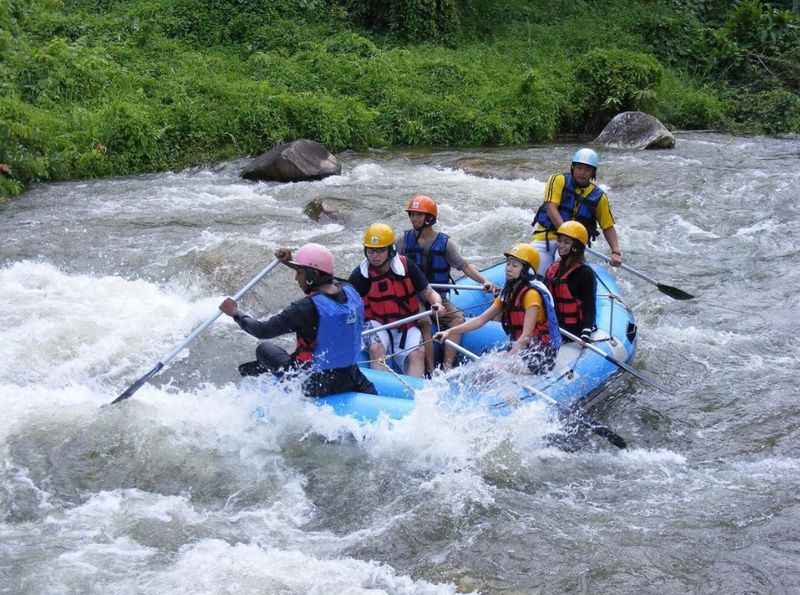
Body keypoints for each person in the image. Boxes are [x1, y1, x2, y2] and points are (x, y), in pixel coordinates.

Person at [218, 243, 376, 398]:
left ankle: (264, 379)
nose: (295, 278)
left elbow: (262, 330)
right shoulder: (350, 290)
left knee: (264, 349)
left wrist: (235, 313)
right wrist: (289, 262)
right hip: (352, 376)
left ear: (311, 276)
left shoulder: (305, 308)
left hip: (316, 383)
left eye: (299, 272)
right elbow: (327, 277)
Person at [397, 194, 497, 372]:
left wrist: (484, 281)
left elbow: (464, 266)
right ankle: (429, 369)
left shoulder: (445, 244)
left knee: (457, 318)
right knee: (425, 321)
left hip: (439, 297)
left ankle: (447, 366)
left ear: (430, 218)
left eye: (418, 215)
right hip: (413, 297)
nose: (414, 219)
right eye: (412, 214)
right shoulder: (403, 241)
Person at [434, 243, 561, 375]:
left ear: (527, 271)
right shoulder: (508, 293)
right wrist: (449, 332)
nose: (509, 269)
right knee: (479, 368)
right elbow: (481, 320)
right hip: (524, 352)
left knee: (489, 370)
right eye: (508, 264)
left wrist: (507, 358)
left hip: (541, 355)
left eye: (515, 265)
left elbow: (526, 337)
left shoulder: (531, 295)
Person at [348, 223, 443, 378]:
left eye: (380, 251)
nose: (375, 256)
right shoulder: (360, 275)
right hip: (376, 323)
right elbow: (346, 306)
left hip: (405, 323)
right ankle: (382, 393)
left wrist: (437, 303)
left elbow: (429, 293)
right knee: (376, 348)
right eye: (371, 251)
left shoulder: (406, 266)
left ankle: (414, 394)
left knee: (418, 352)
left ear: (391, 250)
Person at [531, 148, 622, 275]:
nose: (582, 173)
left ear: (593, 173)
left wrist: (615, 251)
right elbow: (551, 207)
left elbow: (607, 226)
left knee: (562, 271)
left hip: (572, 246)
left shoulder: (599, 197)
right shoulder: (557, 180)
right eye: (579, 168)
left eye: (587, 169)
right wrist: (566, 233)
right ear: (573, 168)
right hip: (546, 238)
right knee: (531, 270)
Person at [545, 221, 597, 343]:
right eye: (560, 240)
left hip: (574, 330)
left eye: (566, 242)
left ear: (576, 247)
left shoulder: (584, 273)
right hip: (555, 327)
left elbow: (589, 307)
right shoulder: (553, 268)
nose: (560, 245)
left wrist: (586, 331)